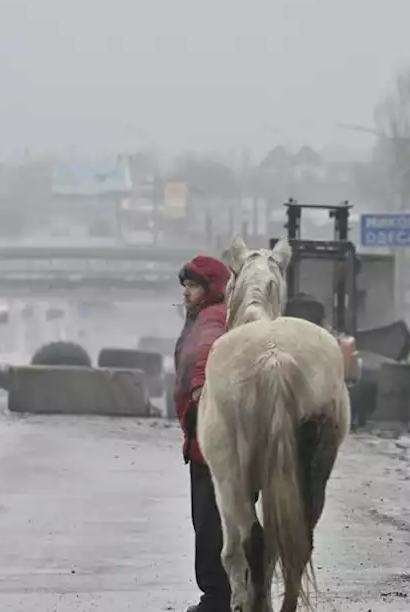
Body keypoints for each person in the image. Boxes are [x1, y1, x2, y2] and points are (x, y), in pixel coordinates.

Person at [173, 254, 233, 612]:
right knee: (217, 516)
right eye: (184, 286)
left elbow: (210, 349)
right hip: (203, 434)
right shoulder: (204, 314)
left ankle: (216, 597)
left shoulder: (213, 316)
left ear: (210, 289)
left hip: (209, 438)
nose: (186, 293)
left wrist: (198, 388)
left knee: (210, 519)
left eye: (193, 286)